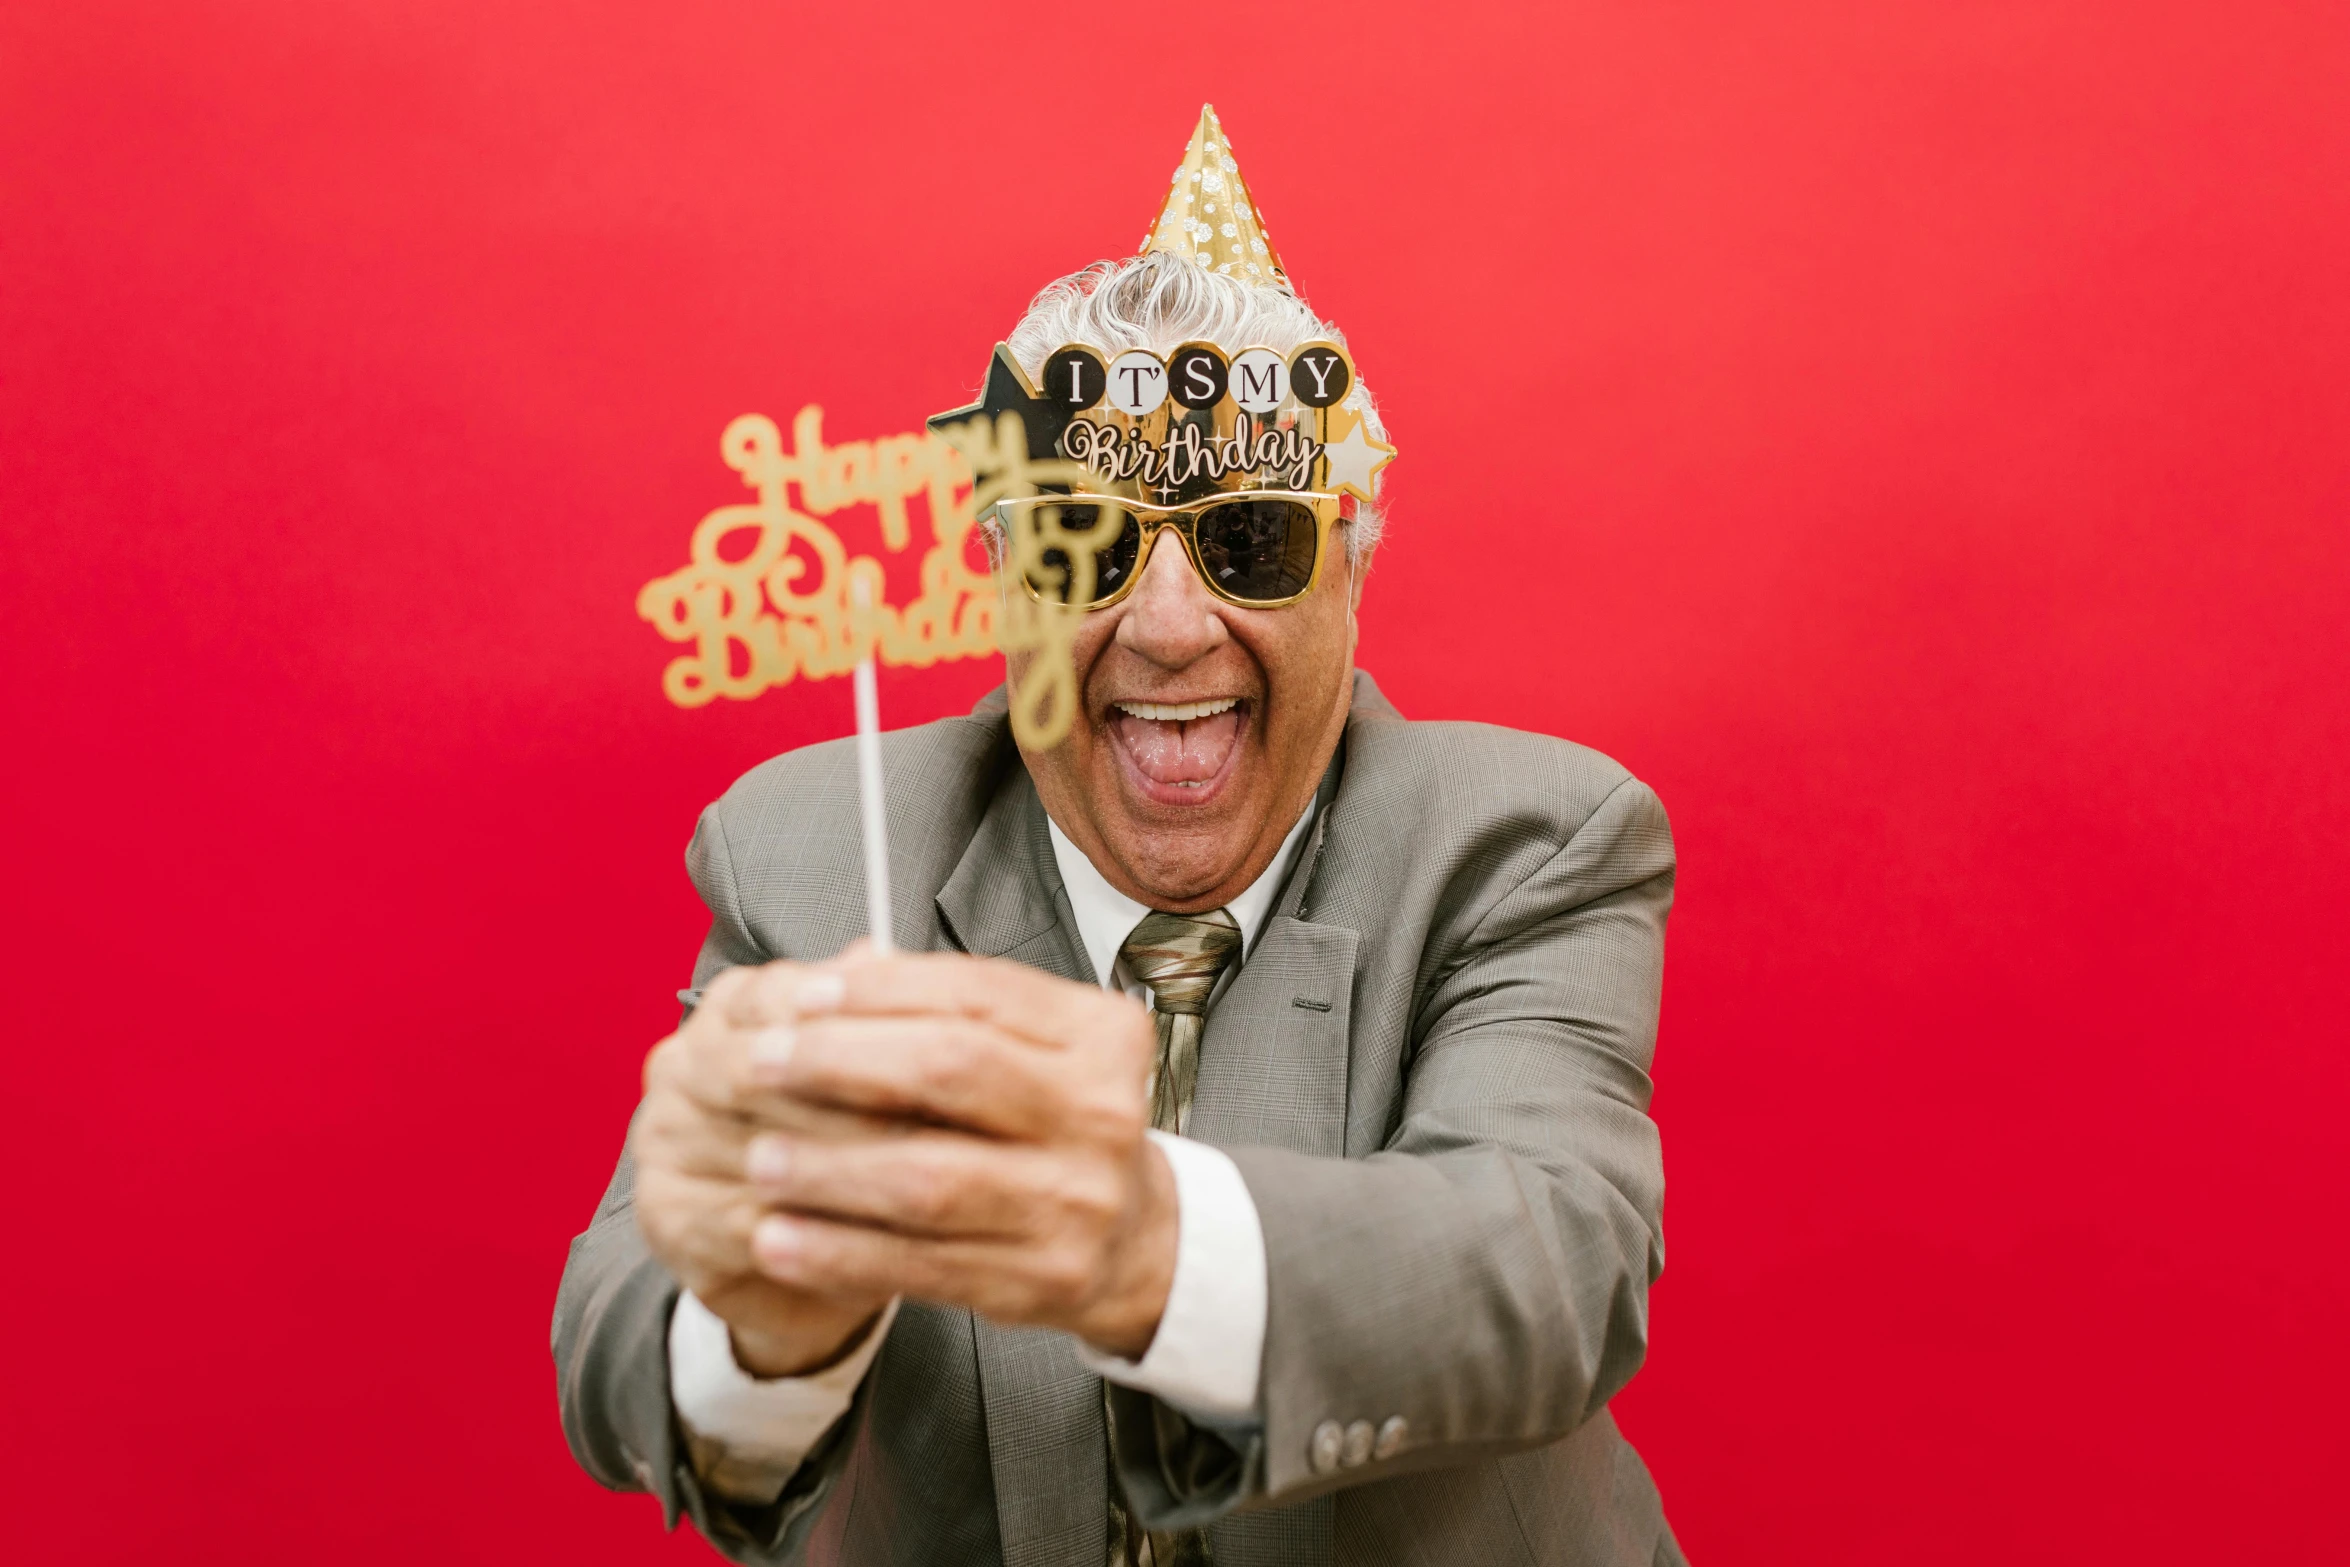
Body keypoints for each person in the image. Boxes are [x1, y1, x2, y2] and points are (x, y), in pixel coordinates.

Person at [554, 106, 1685, 1567]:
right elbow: (621, 1349)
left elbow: (1546, 1266)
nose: (1165, 628)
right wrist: (764, 1314)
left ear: (1353, 564)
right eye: (1086, 537)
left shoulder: (1523, 839)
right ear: (997, 572)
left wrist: (1137, 1235)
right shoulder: (817, 849)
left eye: (1252, 540)